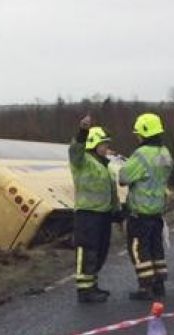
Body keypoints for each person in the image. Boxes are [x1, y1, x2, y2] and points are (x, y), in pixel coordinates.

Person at [119, 113, 174, 301]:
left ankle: (145, 287)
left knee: (138, 249)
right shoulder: (165, 152)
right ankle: (159, 284)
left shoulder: (141, 154)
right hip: (157, 212)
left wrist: (121, 165)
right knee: (156, 248)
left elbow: (123, 178)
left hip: (140, 213)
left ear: (144, 132)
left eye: (138, 133)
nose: (137, 137)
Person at [68, 115, 120, 304]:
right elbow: (75, 151)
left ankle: (93, 285)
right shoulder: (83, 161)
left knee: (100, 250)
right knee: (87, 251)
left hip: (103, 214)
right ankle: (84, 290)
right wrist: (82, 132)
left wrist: (117, 211)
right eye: (104, 144)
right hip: (87, 214)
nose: (107, 147)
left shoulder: (104, 165)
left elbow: (111, 191)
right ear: (94, 144)